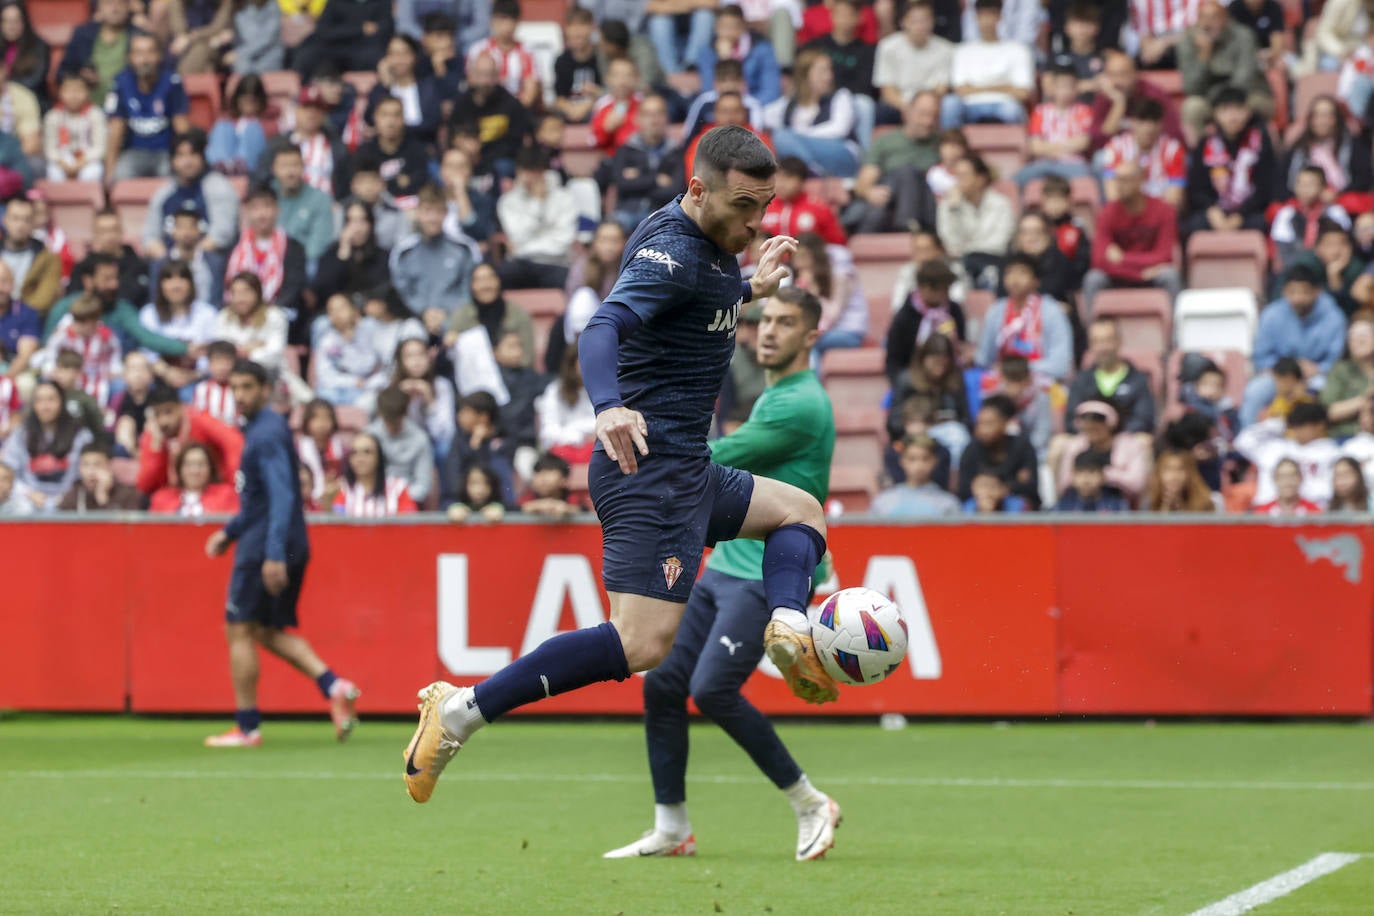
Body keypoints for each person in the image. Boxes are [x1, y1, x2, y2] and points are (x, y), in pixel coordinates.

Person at [402, 128, 840, 817]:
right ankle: (458, 712)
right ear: (699, 190)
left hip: (686, 468)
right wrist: (606, 407)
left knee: (802, 511)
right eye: (746, 206)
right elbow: (599, 330)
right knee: (642, 644)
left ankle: (787, 624)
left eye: (766, 206)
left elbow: (698, 306)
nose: (757, 222)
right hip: (648, 470)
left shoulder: (709, 250)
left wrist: (748, 287)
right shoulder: (670, 254)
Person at [603, 284, 838, 860]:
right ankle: (671, 826)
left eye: (785, 322)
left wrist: (642, 459)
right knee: (662, 682)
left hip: (766, 574)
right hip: (725, 566)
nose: (769, 331)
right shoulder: (775, 393)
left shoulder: (799, 403)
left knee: (711, 690)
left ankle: (811, 802)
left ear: (811, 336)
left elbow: (715, 463)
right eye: (764, 320)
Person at [203, 360, 361, 746]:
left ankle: (246, 726)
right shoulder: (263, 430)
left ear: (264, 388)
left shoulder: (267, 433)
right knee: (268, 631)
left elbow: (282, 496)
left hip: (266, 547)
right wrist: (229, 532)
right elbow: (259, 501)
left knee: (238, 629)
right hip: (279, 540)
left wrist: (273, 553)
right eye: (234, 387)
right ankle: (334, 686)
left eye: (246, 387)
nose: (239, 395)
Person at [1242, 264, 1348, 428]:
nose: (1298, 298)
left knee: (1326, 392)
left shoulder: (1334, 317)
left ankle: (1323, 441)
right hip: (1279, 374)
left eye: (1304, 292)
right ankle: (1246, 439)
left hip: (1316, 376)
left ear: (1317, 291)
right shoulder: (1272, 314)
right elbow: (1260, 356)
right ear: (1284, 292)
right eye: (1292, 292)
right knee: (1256, 390)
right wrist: (1286, 370)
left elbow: (1336, 358)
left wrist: (1318, 369)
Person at [143, 131, 239, 291]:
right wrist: (170, 258)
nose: (187, 162)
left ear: (202, 157)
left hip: (206, 258)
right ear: (172, 161)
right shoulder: (164, 193)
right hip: (172, 261)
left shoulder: (218, 187)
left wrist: (191, 257)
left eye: (193, 154)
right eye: (180, 155)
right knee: (158, 265)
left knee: (214, 261)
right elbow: (150, 237)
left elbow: (222, 234)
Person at [1182, 87, 1278, 240]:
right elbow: (1196, 188)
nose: (1232, 117)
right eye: (1225, 110)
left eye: (1238, 110)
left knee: (1263, 223)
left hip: (1249, 213)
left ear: (1248, 112)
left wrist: (1241, 215)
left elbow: (1265, 187)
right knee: (1192, 225)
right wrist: (1212, 211)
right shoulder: (1206, 142)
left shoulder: (1260, 141)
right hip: (1214, 212)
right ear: (1215, 114)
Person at [1178, 0, 1274, 142]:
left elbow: (1244, 78)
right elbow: (1191, 87)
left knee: (1256, 104)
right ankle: (1200, 158)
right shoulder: (1188, 41)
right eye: (1203, 18)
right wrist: (1204, 56)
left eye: (1214, 17)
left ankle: (1256, 155)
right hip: (1210, 100)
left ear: (1226, 18)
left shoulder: (1243, 35)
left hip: (1247, 94)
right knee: (1192, 107)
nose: (1208, 24)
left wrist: (1225, 107)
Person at [847, 91, 941, 234]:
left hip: (926, 205)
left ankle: (908, 225)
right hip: (889, 201)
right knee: (902, 176)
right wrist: (870, 192)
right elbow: (864, 182)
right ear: (908, 113)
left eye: (934, 116)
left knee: (910, 173)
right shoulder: (886, 141)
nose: (928, 122)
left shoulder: (942, 144)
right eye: (923, 114)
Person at [104, 33, 192, 181]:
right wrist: (109, 172)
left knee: (172, 178)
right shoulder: (120, 82)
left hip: (165, 151)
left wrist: (185, 162)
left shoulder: (172, 82)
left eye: (150, 52)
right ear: (129, 57)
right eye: (138, 53)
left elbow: (182, 128)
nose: (144, 60)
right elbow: (115, 130)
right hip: (133, 152)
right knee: (120, 176)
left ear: (159, 56)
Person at [763, 49, 862, 178]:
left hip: (839, 150)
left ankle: (808, 172)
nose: (828, 77)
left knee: (784, 137)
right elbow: (764, 115)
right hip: (808, 153)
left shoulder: (841, 96)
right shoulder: (791, 103)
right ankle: (812, 170)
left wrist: (798, 136)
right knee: (780, 138)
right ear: (805, 75)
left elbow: (839, 130)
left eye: (829, 70)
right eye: (822, 71)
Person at [976, 254, 1073, 384]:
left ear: (1036, 281)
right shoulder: (996, 311)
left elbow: (1061, 365)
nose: (1014, 279)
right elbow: (984, 358)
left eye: (1022, 273)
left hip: (1041, 382)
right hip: (1003, 383)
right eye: (1009, 273)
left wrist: (1020, 369)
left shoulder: (1052, 311)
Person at [1, 380, 93, 510]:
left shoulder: (81, 435)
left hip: (70, 500)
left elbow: (85, 474)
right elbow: (8, 472)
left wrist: (67, 497)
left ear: (62, 402)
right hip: (27, 501)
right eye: (39, 400)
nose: (45, 406)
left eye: (51, 399)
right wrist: (28, 493)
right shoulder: (21, 434)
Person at [136, 381, 243, 494]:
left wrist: (233, 485)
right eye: (157, 414)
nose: (164, 421)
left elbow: (234, 442)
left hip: (213, 492)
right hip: (174, 499)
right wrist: (156, 450)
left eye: (168, 412)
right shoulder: (153, 434)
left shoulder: (200, 420)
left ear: (181, 407)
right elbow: (145, 486)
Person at [941, 0, 1033, 128]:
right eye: (982, 15)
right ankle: (950, 146)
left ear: (1000, 16)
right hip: (969, 106)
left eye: (991, 15)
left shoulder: (1018, 50)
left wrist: (977, 88)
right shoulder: (962, 51)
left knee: (1012, 110)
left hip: (1005, 104)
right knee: (949, 104)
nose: (987, 21)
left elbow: (1023, 92)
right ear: (976, 18)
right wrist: (1005, 87)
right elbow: (960, 89)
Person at [390, 184, 477, 320]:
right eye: (427, 211)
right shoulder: (403, 253)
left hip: (457, 319)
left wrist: (447, 315)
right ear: (417, 213)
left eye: (438, 211)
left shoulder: (463, 249)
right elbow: (402, 293)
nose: (433, 218)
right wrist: (424, 313)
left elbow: (468, 291)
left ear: (446, 213)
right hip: (415, 320)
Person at [496, 148, 578, 290]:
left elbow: (564, 240)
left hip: (556, 263)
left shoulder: (564, 198)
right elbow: (517, 236)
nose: (531, 178)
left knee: (570, 280)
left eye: (536, 172)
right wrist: (538, 203)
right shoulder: (508, 201)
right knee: (499, 276)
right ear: (518, 173)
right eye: (526, 172)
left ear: (545, 173)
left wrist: (526, 247)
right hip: (521, 263)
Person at [1236, 402, 1341, 508]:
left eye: (1302, 425)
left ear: (1320, 425)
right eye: (1295, 425)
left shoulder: (1332, 453)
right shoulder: (1277, 447)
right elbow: (1242, 442)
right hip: (1268, 513)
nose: (1297, 430)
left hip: (1312, 514)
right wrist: (1281, 424)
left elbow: (1330, 492)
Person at [223, 187, 307, 320]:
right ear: (247, 212)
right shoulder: (234, 247)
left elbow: (292, 289)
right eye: (255, 208)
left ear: (277, 210)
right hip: (239, 312)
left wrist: (262, 313)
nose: (261, 214)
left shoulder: (293, 247)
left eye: (267, 206)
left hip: (278, 312)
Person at [1064, 318, 1157, 435]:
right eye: (1097, 341)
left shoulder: (1138, 379)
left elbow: (1144, 420)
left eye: (1107, 340)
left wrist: (1112, 436)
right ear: (1090, 345)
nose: (1102, 347)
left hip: (1126, 440)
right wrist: (1095, 434)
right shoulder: (1081, 380)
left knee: (1143, 441)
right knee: (1059, 443)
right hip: (1088, 439)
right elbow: (1071, 420)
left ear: (1118, 341)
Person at [936, 155, 1015, 290]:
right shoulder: (947, 205)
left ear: (980, 179)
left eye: (964, 175)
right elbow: (951, 243)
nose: (959, 181)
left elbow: (999, 242)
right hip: (960, 263)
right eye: (957, 176)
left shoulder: (1002, 204)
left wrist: (970, 250)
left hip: (993, 261)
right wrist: (954, 210)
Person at [608, 94, 684, 233]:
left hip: (662, 213)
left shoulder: (676, 151)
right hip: (626, 213)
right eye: (648, 114)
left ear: (667, 118)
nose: (654, 120)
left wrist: (639, 177)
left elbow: (675, 190)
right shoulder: (625, 149)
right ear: (637, 119)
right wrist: (656, 179)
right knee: (611, 231)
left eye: (659, 114)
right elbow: (622, 184)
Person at [1053, 400, 1153, 505]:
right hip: (1080, 503)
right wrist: (1086, 479)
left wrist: (1103, 475)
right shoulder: (1075, 445)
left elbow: (1137, 484)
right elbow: (1063, 483)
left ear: (1111, 423)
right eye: (1088, 425)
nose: (1093, 427)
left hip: (1121, 504)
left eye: (1098, 425)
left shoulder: (1129, 444)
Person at [1014, 64, 1094, 187]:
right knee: (1015, 181)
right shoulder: (1040, 111)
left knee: (1086, 180)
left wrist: (1049, 147)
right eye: (1062, 86)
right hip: (1042, 163)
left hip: (1073, 163)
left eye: (1070, 86)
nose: (1065, 91)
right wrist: (1065, 147)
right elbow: (1035, 147)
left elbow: (1083, 143)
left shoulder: (1084, 111)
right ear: (1053, 88)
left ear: (1076, 88)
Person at [1101, 97, 1186, 211]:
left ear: (1161, 124)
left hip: (1159, 215)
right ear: (1133, 123)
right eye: (1142, 121)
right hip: (1125, 214)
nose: (1148, 128)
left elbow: (1174, 199)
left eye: (1154, 121)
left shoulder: (1173, 150)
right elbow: (1113, 196)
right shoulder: (1116, 148)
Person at [311, 200, 391, 311]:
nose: (357, 228)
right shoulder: (331, 254)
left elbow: (383, 289)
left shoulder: (382, 255)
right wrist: (343, 253)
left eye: (362, 221)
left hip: (371, 314)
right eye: (351, 221)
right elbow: (322, 290)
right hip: (334, 316)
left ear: (371, 224)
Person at [1270, 167, 1352, 274]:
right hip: (1296, 271)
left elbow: (1344, 245)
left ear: (1323, 187)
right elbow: (1285, 253)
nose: (1304, 189)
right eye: (1300, 184)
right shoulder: (1286, 214)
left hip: (1331, 269)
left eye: (1310, 185)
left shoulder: (1335, 212)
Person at [366, 34, 442, 149]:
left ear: (414, 56)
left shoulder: (428, 87)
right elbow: (370, 120)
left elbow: (432, 123)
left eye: (404, 53)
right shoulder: (380, 90)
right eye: (394, 54)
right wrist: (384, 86)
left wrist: (395, 128)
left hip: (422, 148)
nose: (399, 60)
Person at [698, 4, 782, 105]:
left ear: (743, 27)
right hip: (721, 109)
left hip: (757, 104)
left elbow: (771, 90)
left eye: (733, 27)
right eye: (723, 27)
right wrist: (724, 61)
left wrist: (747, 106)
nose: (727, 32)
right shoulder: (707, 52)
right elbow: (709, 90)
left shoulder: (763, 49)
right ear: (716, 28)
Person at [365, 384, 435, 505]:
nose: (391, 426)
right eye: (388, 420)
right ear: (380, 414)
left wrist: (398, 500)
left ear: (406, 413)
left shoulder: (420, 439)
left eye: (396, 420)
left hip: (407, 502)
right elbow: (362, 479)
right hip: (374, 501)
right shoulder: (369, 436)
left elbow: (422, 485)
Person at [354, 96, 430, 205]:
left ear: (404, 119)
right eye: (384, 115)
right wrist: (400, 182)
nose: (390, 122)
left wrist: (381, 185)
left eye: (396, 115)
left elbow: (421, 184)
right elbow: (359, 188)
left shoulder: (417, 151)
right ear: (375, 118)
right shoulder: (363, 153)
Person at [314, 295, 387, 408]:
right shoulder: (328, 340)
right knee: (323, 398)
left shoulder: (370, 328)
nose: (337, 314)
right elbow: (325, 375)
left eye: (341, 308)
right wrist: (352, 382)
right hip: (342, 387)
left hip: (371, 385)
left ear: (354, 309)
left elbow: (378, 363)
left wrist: (353, 338)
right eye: (332, 310)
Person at [214, 271, 289, 377]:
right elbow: (222, 353)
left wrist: (242, 353)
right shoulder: (224, 317)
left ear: (257, 293)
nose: (240, 299)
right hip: (231, 376)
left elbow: (274, 355)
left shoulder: (274, 316)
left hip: (270, 375)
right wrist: (251, 348)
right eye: (235, 293)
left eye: (246, 292)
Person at [760, 157, 847, 248]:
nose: (781, 184)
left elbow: (837, 244)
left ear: (802, 181)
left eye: (787, 178)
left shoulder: (819, 208)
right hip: (769, 259)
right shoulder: (765, 206)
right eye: (777, 178)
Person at [292, 0, 392, 78]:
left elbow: (382, 32)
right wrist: (360, 29)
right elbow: (323, 31)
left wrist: (341, 32)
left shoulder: (382, 2)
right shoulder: (336, 2)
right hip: (334, 49)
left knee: (375, 57)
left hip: (364, 51)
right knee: (308, 55)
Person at [535, 341, 597, 464]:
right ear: (572, 364)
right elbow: (549, 433)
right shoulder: (554, 390)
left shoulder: (605, 389)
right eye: (583, 361)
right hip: (564, 450)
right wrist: (580, 435)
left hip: (595, 449)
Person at [872, 432, 961, 517]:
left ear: (934, 461)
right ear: (902, 461)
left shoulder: (948, 504)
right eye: (912, 459)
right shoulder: (883, 502)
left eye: (925, 459)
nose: (919, 466)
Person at [799, 0, 874, 99]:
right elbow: (802, 75)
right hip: (817, 98)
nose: (844, 19)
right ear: (831, 15)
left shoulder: (867, 53)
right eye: (840, 14)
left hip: (852, 101)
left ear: (859, 18)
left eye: (849, 15)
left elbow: (864, 88)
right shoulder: (814, 46)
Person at [332, 431, 418, 516]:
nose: (360, 458)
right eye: (354, 453)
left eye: (367, 452)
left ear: (379, 457)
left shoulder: (398, 488)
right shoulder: (344, 490)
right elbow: (336, 524)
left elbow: (409, 523)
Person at [0, 196, 61, 313]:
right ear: (4, 220)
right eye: (15, 218)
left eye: (26, 220)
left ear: (33, 223)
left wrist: (17, 316)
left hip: (28, 321)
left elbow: (44, 298)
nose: (20, 225)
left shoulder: (48, 258)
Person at [44, 71, 107, 183]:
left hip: (87, 159)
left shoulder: (96, 114)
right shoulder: (53, 116)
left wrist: (81, 163)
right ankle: (60, 200)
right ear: (60, 93)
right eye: (68, 91)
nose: (73, 96)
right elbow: (50, 149)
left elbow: (99, 148)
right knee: (54, 173)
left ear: (87, 92)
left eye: (78, 91)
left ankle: (88, 199)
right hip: (62, 160)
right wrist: (62, 163)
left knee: (92, 173)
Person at [149, 439, 239, 515]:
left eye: (201, 464)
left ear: (210, 468)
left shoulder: (226, 495)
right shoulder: (161, 499)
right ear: (179, 469)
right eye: (189, 465)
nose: (195, 471)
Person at [1321, 314, 1374, 438]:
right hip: (1347, 435)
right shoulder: (1340, 370)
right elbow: (1329, 412)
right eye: (1353, 337)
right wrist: (1366, 400)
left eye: (1364, 335)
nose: (1359, 340)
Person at [206, 75, 269, 175]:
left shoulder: (268, 121)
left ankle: (238, 166)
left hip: (251, 167)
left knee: (252, 129)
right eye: (245, 100)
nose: (248, 105)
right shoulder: (227, 121)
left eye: (253, 101)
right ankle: (221, 165)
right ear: (237, 100)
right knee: (223, 127)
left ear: (261, 101)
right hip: (225, 162)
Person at [56, 441, 142, 512]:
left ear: (109, 466)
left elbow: (123, 530)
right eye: (86, 465)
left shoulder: (126, 495)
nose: (90, 472)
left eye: (97, 465)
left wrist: (102, 498)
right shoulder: (75, 493)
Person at [554, 6, 603, 124]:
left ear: (592, 27)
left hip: (597, 110)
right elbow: (559, 98)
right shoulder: (562, 61)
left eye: (581, 25)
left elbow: (609, 92)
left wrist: (588, 105)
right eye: (572, 26)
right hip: (569, 111)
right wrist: (570, 109)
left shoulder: (601, 58)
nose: (577, 31)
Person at [1054, 451, 1129, 512]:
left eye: (1092, 472)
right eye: (1080, 472)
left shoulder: (1116, 504)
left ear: (1102, 475)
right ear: (1073, 475)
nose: (1086, 480)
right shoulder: (1064, 504)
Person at [1145, 449, 1216, 512]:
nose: (1174, 475)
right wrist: (1165, 507)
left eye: (1180, 469)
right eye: (1168, 469)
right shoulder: (1149, 502)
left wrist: (1180, 505)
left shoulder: (1206, 503)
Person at [1253, 458, 1324, 516]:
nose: (1287, 481)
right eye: (1282, 476)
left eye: (1292, 476)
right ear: (1275, 479)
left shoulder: (1314, 512)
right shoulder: (1262, 513)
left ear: (1300, 479)